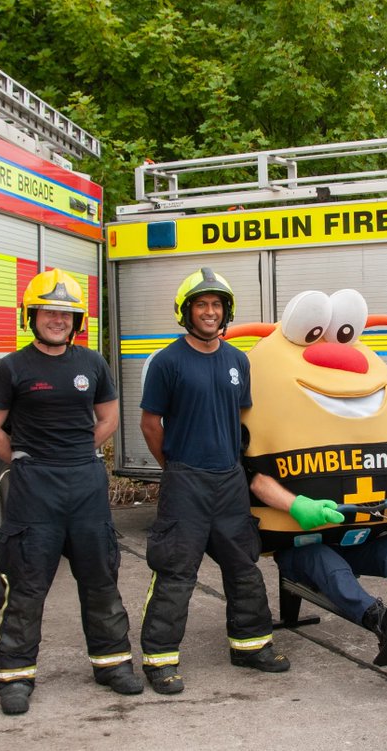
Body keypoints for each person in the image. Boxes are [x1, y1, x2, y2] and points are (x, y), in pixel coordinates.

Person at [0, 269, 141, 715]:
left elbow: (108, 418)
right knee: (28, 585)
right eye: (49, 311)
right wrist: (29, 458)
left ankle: (112, 664)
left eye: (66, 313)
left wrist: (77, 450)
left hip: (85, 485)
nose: (57, 320)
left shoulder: (92, 364)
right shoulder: (11, 368)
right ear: (32, 315)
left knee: (101, 579)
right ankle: (14, 675)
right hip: (35, 491)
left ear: (78, 320)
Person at [139, 268, 290, 695]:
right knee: (175, 571)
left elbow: (240, 419)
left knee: (244, 566)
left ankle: (251, 646)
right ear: (186, 312)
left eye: (217, 305)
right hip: (185, 480)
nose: (210, 312)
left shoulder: (238, 361)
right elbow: (151, 424)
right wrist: (175, 467)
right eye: (202, 305)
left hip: (228, 482)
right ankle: (160, 660)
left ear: (225, 312)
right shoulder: (167, 362)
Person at [249, 472, 387, 642]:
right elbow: (257, 480)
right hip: (300, 546)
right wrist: (295, 505)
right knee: (325, 559)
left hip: (351, 540)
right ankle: (378, 618)